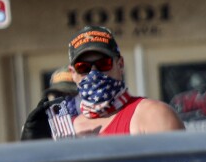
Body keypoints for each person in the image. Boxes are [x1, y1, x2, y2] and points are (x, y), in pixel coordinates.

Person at [47, 27, 184, 137]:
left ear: (120, 64)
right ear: (73, 74)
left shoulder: (153, 115)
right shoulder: (65, 132)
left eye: (103, 64)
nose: (94, 73)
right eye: (83, 67)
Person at [19, 66, 79, 140]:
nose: (61, 99)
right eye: (57, 94)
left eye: (69, 93)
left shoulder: (91, 122)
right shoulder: (41, 125)